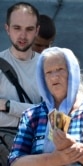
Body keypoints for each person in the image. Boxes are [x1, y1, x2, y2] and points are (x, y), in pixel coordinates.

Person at [8, 47, 83, 166]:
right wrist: (54, 159)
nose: (54, 76)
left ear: (72, 72)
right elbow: (14, 162)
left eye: (60, 69)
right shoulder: (32, 115)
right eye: (48, 72)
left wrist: (75, 148)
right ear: (43, 79)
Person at [0, 2, 42, 165]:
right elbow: (43, 114)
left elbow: (55, 115)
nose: (23, 36)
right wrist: (35, 114)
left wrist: (8, 106)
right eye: (17, 28)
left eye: (29, 29)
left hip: (41, 153)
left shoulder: (49, 66)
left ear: (37, 30)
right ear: (7, 28)